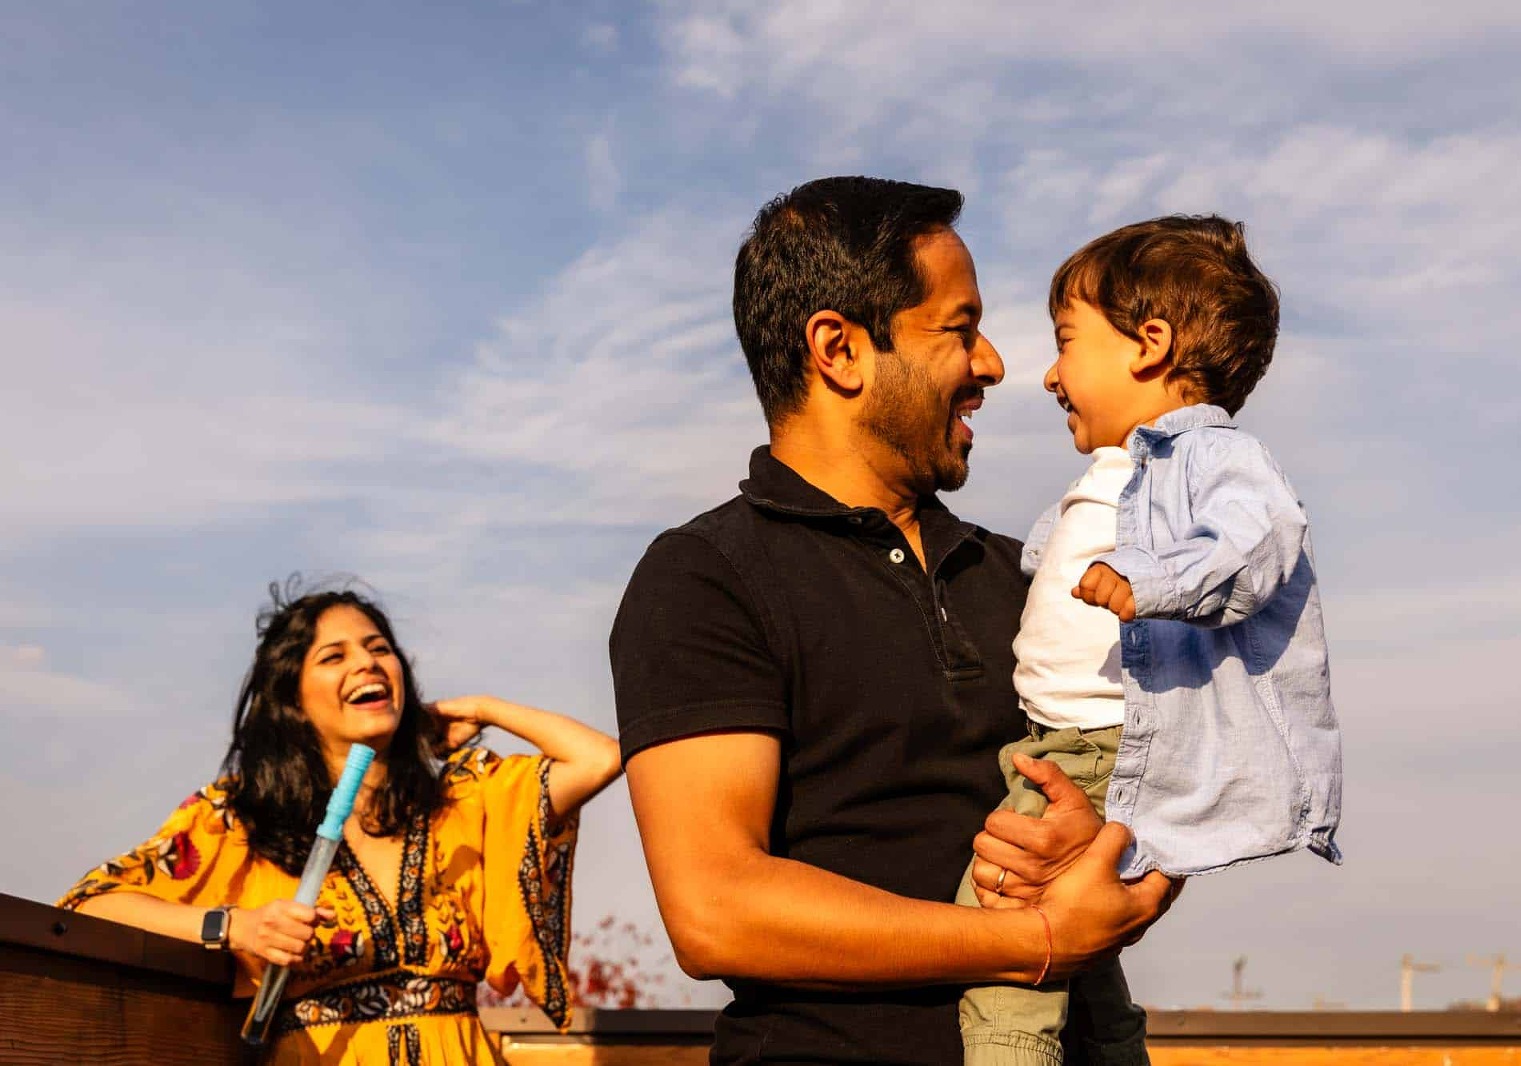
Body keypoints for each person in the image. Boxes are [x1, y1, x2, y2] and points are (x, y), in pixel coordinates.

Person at [610, 176, 1177, 1065]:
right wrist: (1034, 942)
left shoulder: (1028, 570)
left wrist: (1121, 844)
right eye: (958, 327)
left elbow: (1170, 771)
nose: (992, 362)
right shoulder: (705, 577)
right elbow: (715, 909)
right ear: (839, 348)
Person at [956, 215, 1343, 1065]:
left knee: (1005, 961)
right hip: (1060, 745)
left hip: (1101, 753)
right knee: (1083, 977)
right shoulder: (1117, 470)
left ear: (1151, 344)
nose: (1051, 375)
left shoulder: (1212, 459)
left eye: (1066, 343)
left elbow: (1262, 540)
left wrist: (1151, 586)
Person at [58, 582, 622, 1064]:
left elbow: (597, 758)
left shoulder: (461, 797)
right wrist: (234, 927)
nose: (366, 663)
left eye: (379, 649)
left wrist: (483, 709)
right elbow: (91, 904)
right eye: (333, 657)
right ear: (294, 700)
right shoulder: (241, 813)